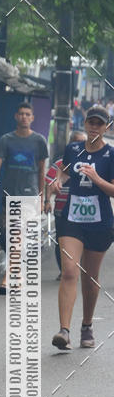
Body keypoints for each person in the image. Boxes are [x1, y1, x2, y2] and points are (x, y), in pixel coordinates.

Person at [52, 104, 114, 350]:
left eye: (100, 123)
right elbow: (63, 171)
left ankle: (86, 325)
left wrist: (97, 178)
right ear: (86, 124)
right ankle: (63, 331)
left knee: (90, 276)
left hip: (100, 222)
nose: (95, 127)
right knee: (69, 271)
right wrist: (57, 182)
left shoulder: (111, 154)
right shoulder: (73, 148)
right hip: (72, 220)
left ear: (107, 127)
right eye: (92, 122)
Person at [0, 102, 48, 293]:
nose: (24, 117)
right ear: (16, 116)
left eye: (27, 114)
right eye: (21, 113)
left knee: (17, 236)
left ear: (32, 118)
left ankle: (9, 278)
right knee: (12, 237)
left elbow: (41, 171)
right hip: (9, 194)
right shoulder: (6, 140)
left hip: (29, 196)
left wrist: (42, 198)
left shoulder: (39, 141)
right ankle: (15, 274)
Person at [44, 130, 87, 279]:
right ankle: (64, 271)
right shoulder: (59, 163)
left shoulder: (89, 164)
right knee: (61, 242)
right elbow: (49, 182)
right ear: (70, 144)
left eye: (82, 142)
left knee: (81, 241)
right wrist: (47, 201)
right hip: (62, 210)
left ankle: (74, 268)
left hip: (82, 211)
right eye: (76, 142)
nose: (79, 146)